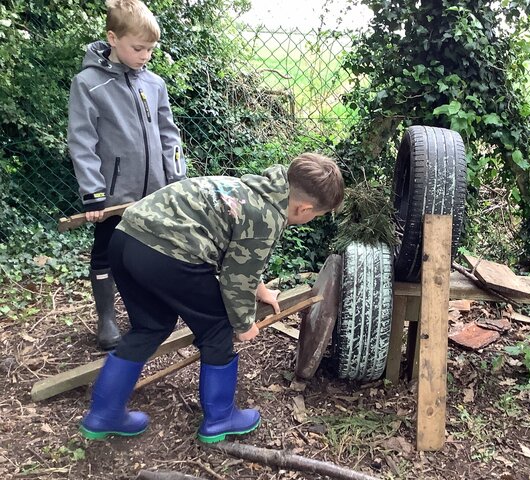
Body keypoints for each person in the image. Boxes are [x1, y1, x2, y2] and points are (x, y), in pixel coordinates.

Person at [79, 153, 345, 443]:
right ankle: (220, 418)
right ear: (305, 209)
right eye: (315, 216)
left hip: (125, 239)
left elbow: (239, 256)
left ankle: (104, 414)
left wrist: (261, 290)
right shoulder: (267, 216)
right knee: (218, 327)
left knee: (150, 326)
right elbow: (234, 281)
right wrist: (244, 325)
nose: (311, 220)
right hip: (170, 254)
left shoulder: (254, 189)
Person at [67, 0, 185, 351]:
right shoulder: (88, 84)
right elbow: (82, 139)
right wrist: (93, 192)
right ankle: (106, 319)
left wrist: (175, 177)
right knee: (105, 251)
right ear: (112, 38)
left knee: (150, 250)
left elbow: (170, 134)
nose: (145, 55)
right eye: (138, 48)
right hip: (115, 196)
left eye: (150, 49)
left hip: (155, 193)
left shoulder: (155, 84)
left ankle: (146, 312)